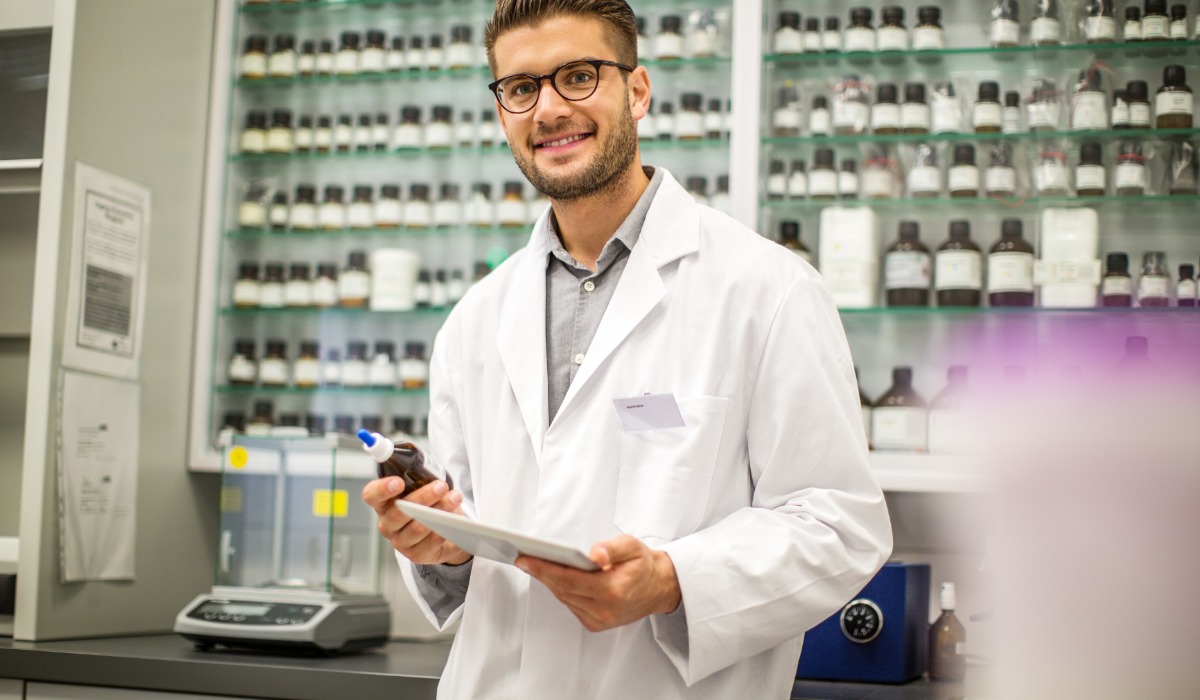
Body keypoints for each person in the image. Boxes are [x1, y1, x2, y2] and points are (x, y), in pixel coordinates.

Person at [361, 1, 893, 697]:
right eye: (521, 88)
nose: (548, 109)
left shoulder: (766, 289)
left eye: (578, 76)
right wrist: (438, 548)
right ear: (501, 112)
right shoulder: (474, 320)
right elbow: (464, 536)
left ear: (637, 91)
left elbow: (838, 522)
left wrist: (673, 581)